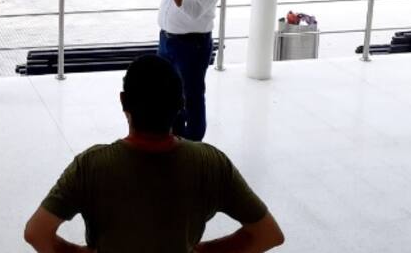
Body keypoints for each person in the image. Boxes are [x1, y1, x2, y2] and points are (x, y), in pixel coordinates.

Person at [24, 55, 284, 253]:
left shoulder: (91, 166)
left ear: (123, 102)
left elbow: (36, 233)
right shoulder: (210, 163)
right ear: (181, 105)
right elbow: (268, 234)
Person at [155, 0, 221, 141]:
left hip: (192, 45)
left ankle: (193, 145)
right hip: (166, 40)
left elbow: (193, 10)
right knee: (167, 93)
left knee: (191, 96)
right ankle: (173, 138)